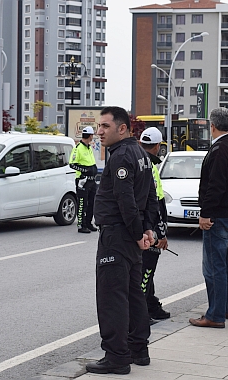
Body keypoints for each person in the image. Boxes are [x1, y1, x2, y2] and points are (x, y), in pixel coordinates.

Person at [86, 106, 158, 375]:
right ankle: (139, 349)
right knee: (133, 293)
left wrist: (140, 233)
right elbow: (150, 195)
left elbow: (126, 200)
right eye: (98, 127)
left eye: (105, 126)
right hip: (129, 234)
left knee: (111, 297)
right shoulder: (140, 154)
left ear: (123, 128)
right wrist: (147, 229)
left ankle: (117, 356)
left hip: (117, 235)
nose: (99, 132)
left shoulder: (121, 157)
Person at [189, 107, 228, 328]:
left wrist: (205, 213)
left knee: (214, 266)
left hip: (219, 216)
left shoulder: (218, 150)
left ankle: (215, 315)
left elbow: (214, 185)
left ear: (212, 126)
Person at [138, 127, 171, 323]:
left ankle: (150, 305)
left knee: (146, 272)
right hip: (150, 226)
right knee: (146, 270)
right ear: (158, 146)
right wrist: (161, 234)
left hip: (142, 224)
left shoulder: (141, 161)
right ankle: (141, 312)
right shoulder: (148, 166)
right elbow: (156, 204)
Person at [69, 126, 99, 233]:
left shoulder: (89, 147)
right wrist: (84, 170)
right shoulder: (78, 148)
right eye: (92, 136)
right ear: (90, 136)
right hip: (83, 180)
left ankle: (88, 223)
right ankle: (81, 225)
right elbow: (72, 164)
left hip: (92, 180)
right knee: (82, 203)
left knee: (92, 202)